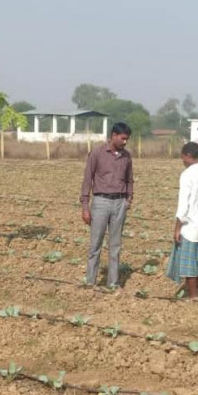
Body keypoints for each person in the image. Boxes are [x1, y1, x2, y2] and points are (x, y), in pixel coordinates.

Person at [81, 122, 133, 288]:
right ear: (113, 135)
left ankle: (113, 283)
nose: (125, 142)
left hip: (119, 203)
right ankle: (90, 282)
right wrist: (85, 207)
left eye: (127, 139)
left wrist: (128, 200)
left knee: (115, 246)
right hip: (101, 202)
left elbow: (129, 180)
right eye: (123, 138)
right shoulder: (97, 153)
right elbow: (87, 179)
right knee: (95, 245)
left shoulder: (127, 156)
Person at [167, 142, 198, 299]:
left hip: (190, 224)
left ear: (188, 156)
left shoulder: (187, 175)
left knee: (189, 263)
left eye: (182, 156)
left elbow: (183, 205)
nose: (182, 160)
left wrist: (177, 228)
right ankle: (192, 292)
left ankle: (194, 295)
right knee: (196, 258)